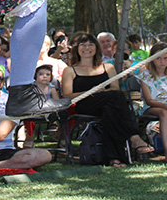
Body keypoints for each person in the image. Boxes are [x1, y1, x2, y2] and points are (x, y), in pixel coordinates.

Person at [62, 34, 154, 166]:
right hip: (85, 104)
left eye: (91, 44)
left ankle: (114, 159)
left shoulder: (108, 68)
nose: (87, 48)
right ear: (77, 49)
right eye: (83, 44)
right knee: (115, 98)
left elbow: (115, 87)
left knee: (109, 111)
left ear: (96, 48)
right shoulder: (70, 70)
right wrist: (91, 92)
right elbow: (68, 95)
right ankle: (133, 136)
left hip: (107, 103)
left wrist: (102, 92)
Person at [22, 64, 60, 148]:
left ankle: (57, 129)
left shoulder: (52, 88)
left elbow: (56, 102)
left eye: (48, 74)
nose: (44, 76)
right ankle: (30, 135)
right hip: (33, 110)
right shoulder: (32, 88)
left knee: (57, 112)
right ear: (35, 76)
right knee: (28, 116)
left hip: (47, 108)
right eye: (41, 74)